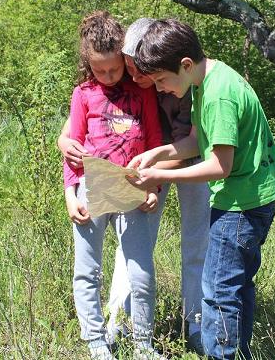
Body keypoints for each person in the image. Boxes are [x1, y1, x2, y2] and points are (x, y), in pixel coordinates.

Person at [127, 19, 275, 360]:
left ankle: (222, 354)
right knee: (237, 287)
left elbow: (219, 165)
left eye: (160, 80)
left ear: (184, 65)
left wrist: (161, 174)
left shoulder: (217, 95)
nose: (158, 89)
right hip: (250, 197)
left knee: (217, 292)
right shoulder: (207, 78)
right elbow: (200, 140)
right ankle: (239, 354)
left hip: (239, 206)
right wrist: (161, 152)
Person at [58, 18, 210, 355]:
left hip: (169, 166)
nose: (120, 76)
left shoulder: (175, 81)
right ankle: (108, 331)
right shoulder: (94, 87)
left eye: (125, 70)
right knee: (107, 264)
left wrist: (152, 185)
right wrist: (68, 180)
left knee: (177, 251)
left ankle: (184, 328)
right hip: (105, 181)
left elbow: (177, 140)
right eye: (110, 70)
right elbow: (75, 138)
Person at [63, 11, 165, 360]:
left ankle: (143, 345)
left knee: (141, 273)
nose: (107, 76)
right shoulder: (83, 94)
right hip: (90, 189)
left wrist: (153, 188)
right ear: (87, 63)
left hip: (133, 189)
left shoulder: (142, 92)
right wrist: (68, 194)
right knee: (87, 270)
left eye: (113, 68)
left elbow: (154, 139)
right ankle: (95, 341)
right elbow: (73, 148)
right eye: (99, 69)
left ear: (124, 59)